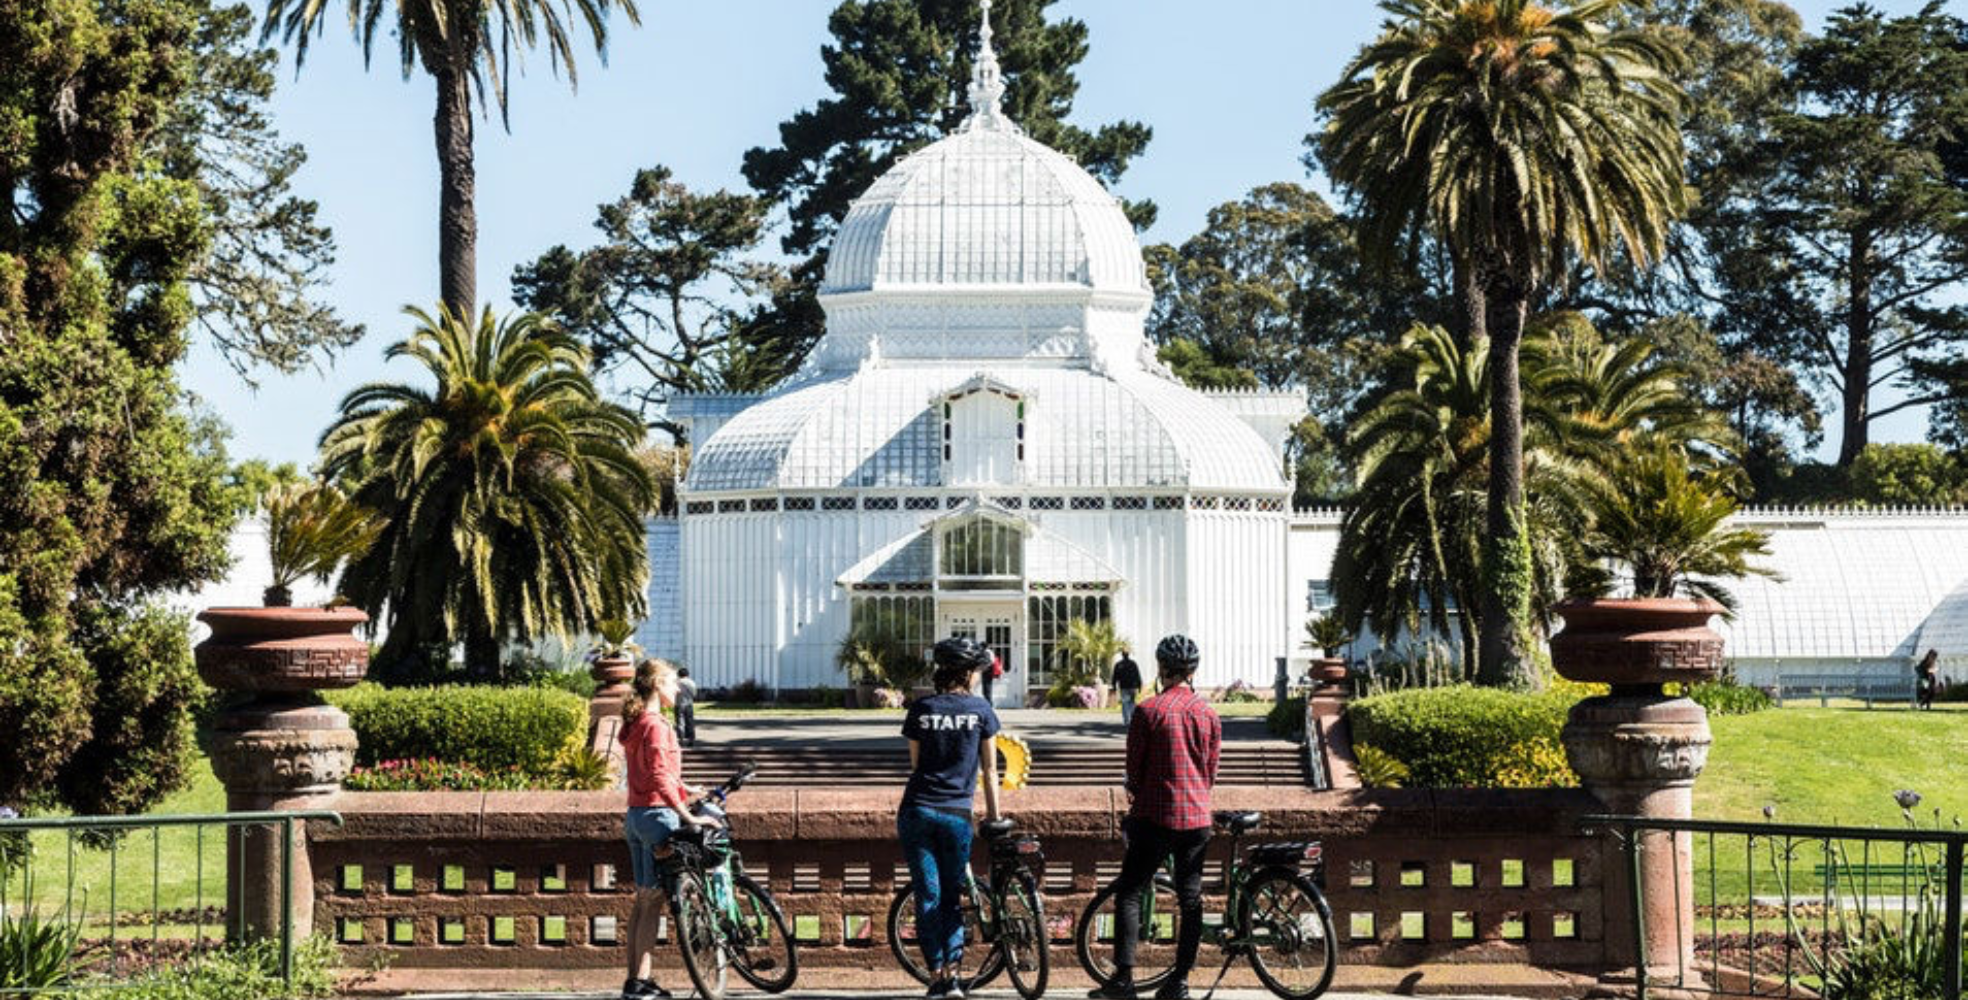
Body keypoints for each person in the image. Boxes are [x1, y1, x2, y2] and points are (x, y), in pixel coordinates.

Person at [1091, 635, 1221, 1000]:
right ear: (1193, 670)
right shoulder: (1208, 714)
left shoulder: (1148, 712)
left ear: (1161, 668)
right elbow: (1209, 773)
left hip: (1155, 816)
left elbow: (1134, 771)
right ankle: (1179, 982)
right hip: (1196, 819)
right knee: (1191, 899)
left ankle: (1124, 980)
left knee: (1130, 891)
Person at [899, 637, 1004, 1000]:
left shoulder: (921, 709)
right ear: (967, 673)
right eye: (977, 671)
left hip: (918, 810)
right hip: (957, 813)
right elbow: (990, 772)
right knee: (952, 896)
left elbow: (915, 766)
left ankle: (936, 978)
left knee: (928, 895)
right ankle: (955, 979)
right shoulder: (981, 710)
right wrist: (994, 817)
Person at [619, 658, 718, 1000]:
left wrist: (686, 789)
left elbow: (653, 772)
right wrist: (688, 816)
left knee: (643, 900)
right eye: (673, 682)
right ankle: (642, 983)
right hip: (659, 817)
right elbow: (660, 777)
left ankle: (634, 981)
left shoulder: (636, 723)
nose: (678, 688)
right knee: (655, 901)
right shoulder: (657, 725)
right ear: (658, 684)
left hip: (635, 816)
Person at [1113, 646, 1142, 725]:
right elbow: (1137, 675)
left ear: (1122, 655)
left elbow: (1115, 677)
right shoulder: (1133, 664)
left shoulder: (1118, 664)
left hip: (1124, 687)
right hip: (1132, 686)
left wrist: (1114, 686)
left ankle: (1127, 720)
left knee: (1125, 703)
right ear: (1128, 655)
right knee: (1132, 703)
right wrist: (1139, 685)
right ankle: (1132, 719)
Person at [674, 665, 698, 746]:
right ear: (687, 674)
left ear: (678, 674)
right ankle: (691, 739)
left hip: (678, 704)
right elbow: (694, 694)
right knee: (690, 722)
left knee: (679, 722)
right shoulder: (691, 682)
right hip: (688, 704)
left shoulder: (676, 682)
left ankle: (681, 739)